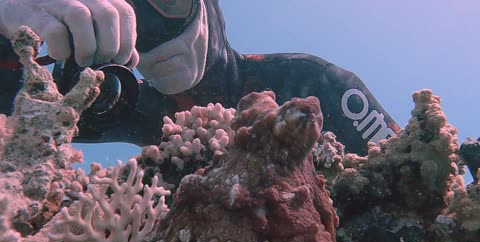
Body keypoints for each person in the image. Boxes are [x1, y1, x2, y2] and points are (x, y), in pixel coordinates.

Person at [0, 0, 399, 155]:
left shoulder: (313, 82)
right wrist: (11, 33)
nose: (151, 28)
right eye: (130, 9)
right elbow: (20, 111)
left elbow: (408, 168)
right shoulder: (128, 103)